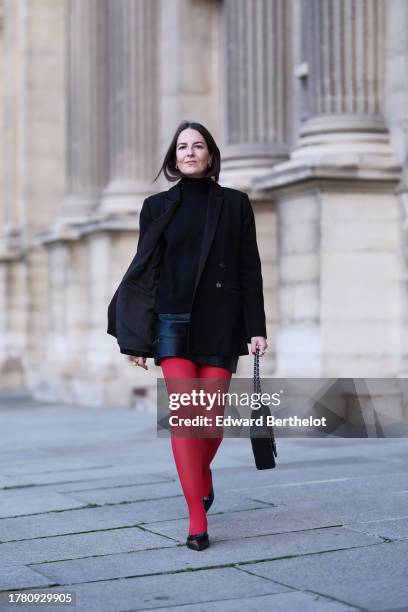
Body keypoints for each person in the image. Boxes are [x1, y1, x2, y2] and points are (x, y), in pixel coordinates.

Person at [107, 121, 267, 551]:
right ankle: (197, 520)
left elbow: (249, 268)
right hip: (171, 322)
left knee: (209, 419)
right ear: (174, 158)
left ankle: (202, 473)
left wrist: (256, 328)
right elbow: (145, 272)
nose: (191, 153)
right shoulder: (156, 206)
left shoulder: (235, 204)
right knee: (185, 417)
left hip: (221, 320)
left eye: (198, 146)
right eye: (183, 147)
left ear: (211, 155)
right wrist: (138, 338)